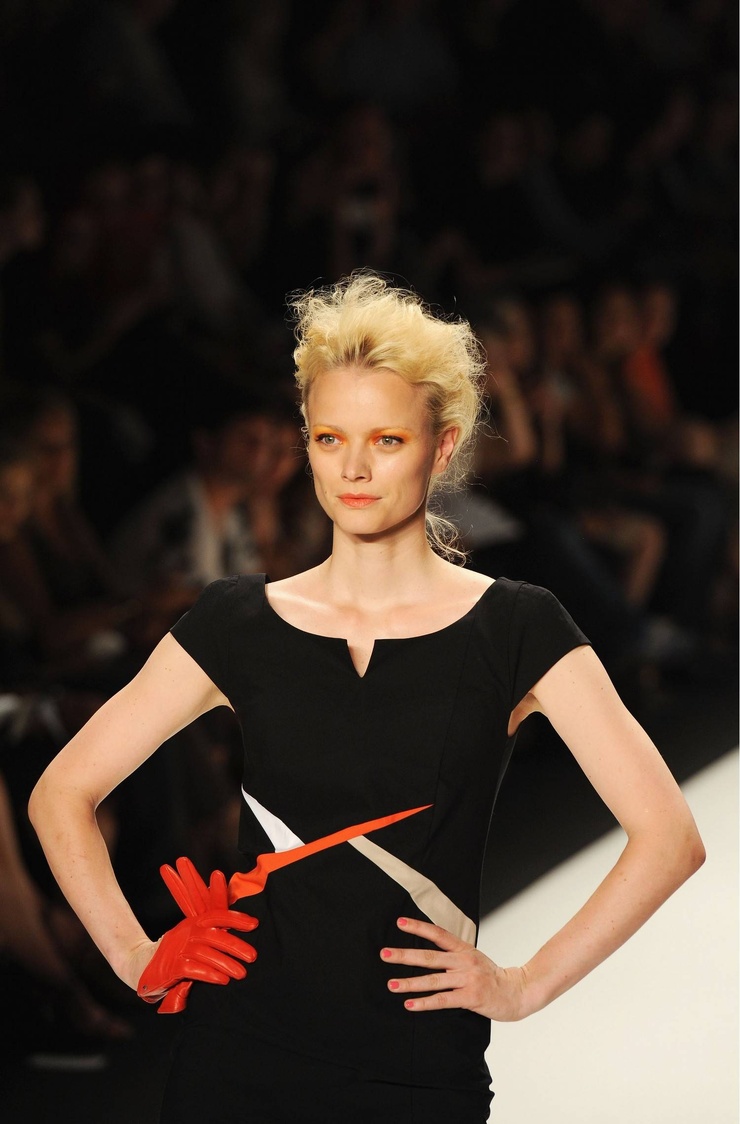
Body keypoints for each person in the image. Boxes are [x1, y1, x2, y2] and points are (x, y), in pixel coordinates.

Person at [28, 273, 704, 1123]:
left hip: (415, 1070)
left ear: (442, 447)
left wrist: (525, 984)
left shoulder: (516, 627)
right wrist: (135, 957)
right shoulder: (237, 621)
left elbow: (669, 838)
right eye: (328, 437)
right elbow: (62, 791)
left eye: (386, 439)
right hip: (237, 1056)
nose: (352, 468)